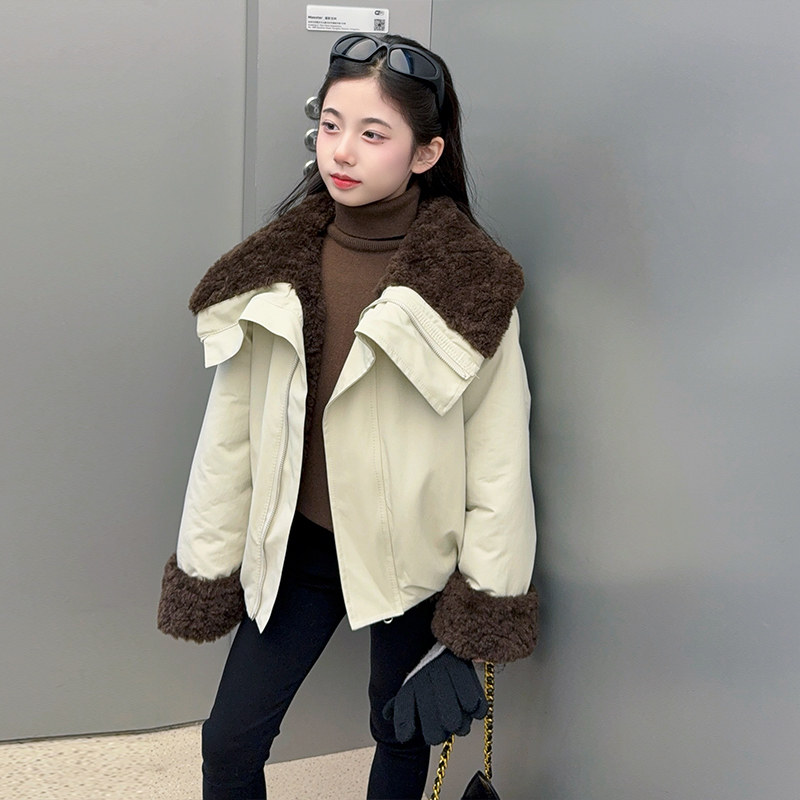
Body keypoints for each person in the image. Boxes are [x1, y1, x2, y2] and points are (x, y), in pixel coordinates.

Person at [157, 33, 538, 800]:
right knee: (229, 741)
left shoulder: (473, 283)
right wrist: (207, 562)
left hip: (414, 561)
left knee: (399, 734)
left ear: (426, 152)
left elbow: (499, 464)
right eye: (331, 125)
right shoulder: (270, 271)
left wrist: (473, 620)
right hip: (298, 550)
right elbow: (230, 437)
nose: (342, 150)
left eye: (372, 133)